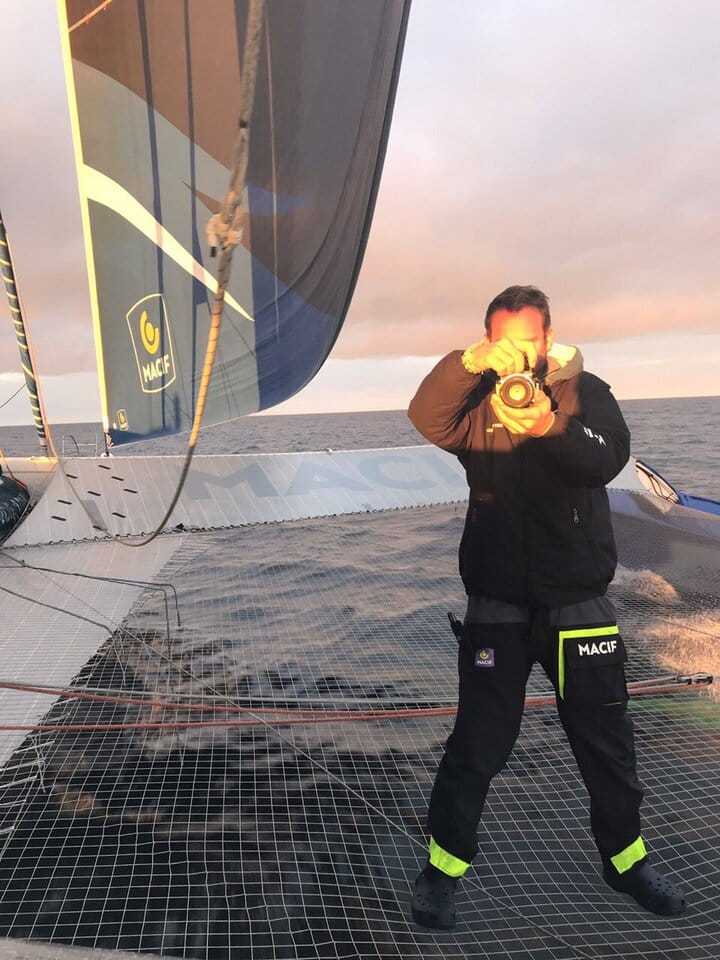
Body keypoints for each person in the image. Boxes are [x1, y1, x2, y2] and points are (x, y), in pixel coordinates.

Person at [406, 285, 686, 930]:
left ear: (549, 338)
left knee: (606, 743)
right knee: (477, 745)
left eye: (527, 340)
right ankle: (443, 872)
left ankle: (626, 862)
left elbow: (605, 457)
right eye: (502, 341)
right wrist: (469, 363)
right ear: (488, 342)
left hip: (578, 603)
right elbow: (426, 417)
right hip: (496, 604)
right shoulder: (474, 401)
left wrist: (546, 425)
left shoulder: (586, 393)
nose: (517, 354)